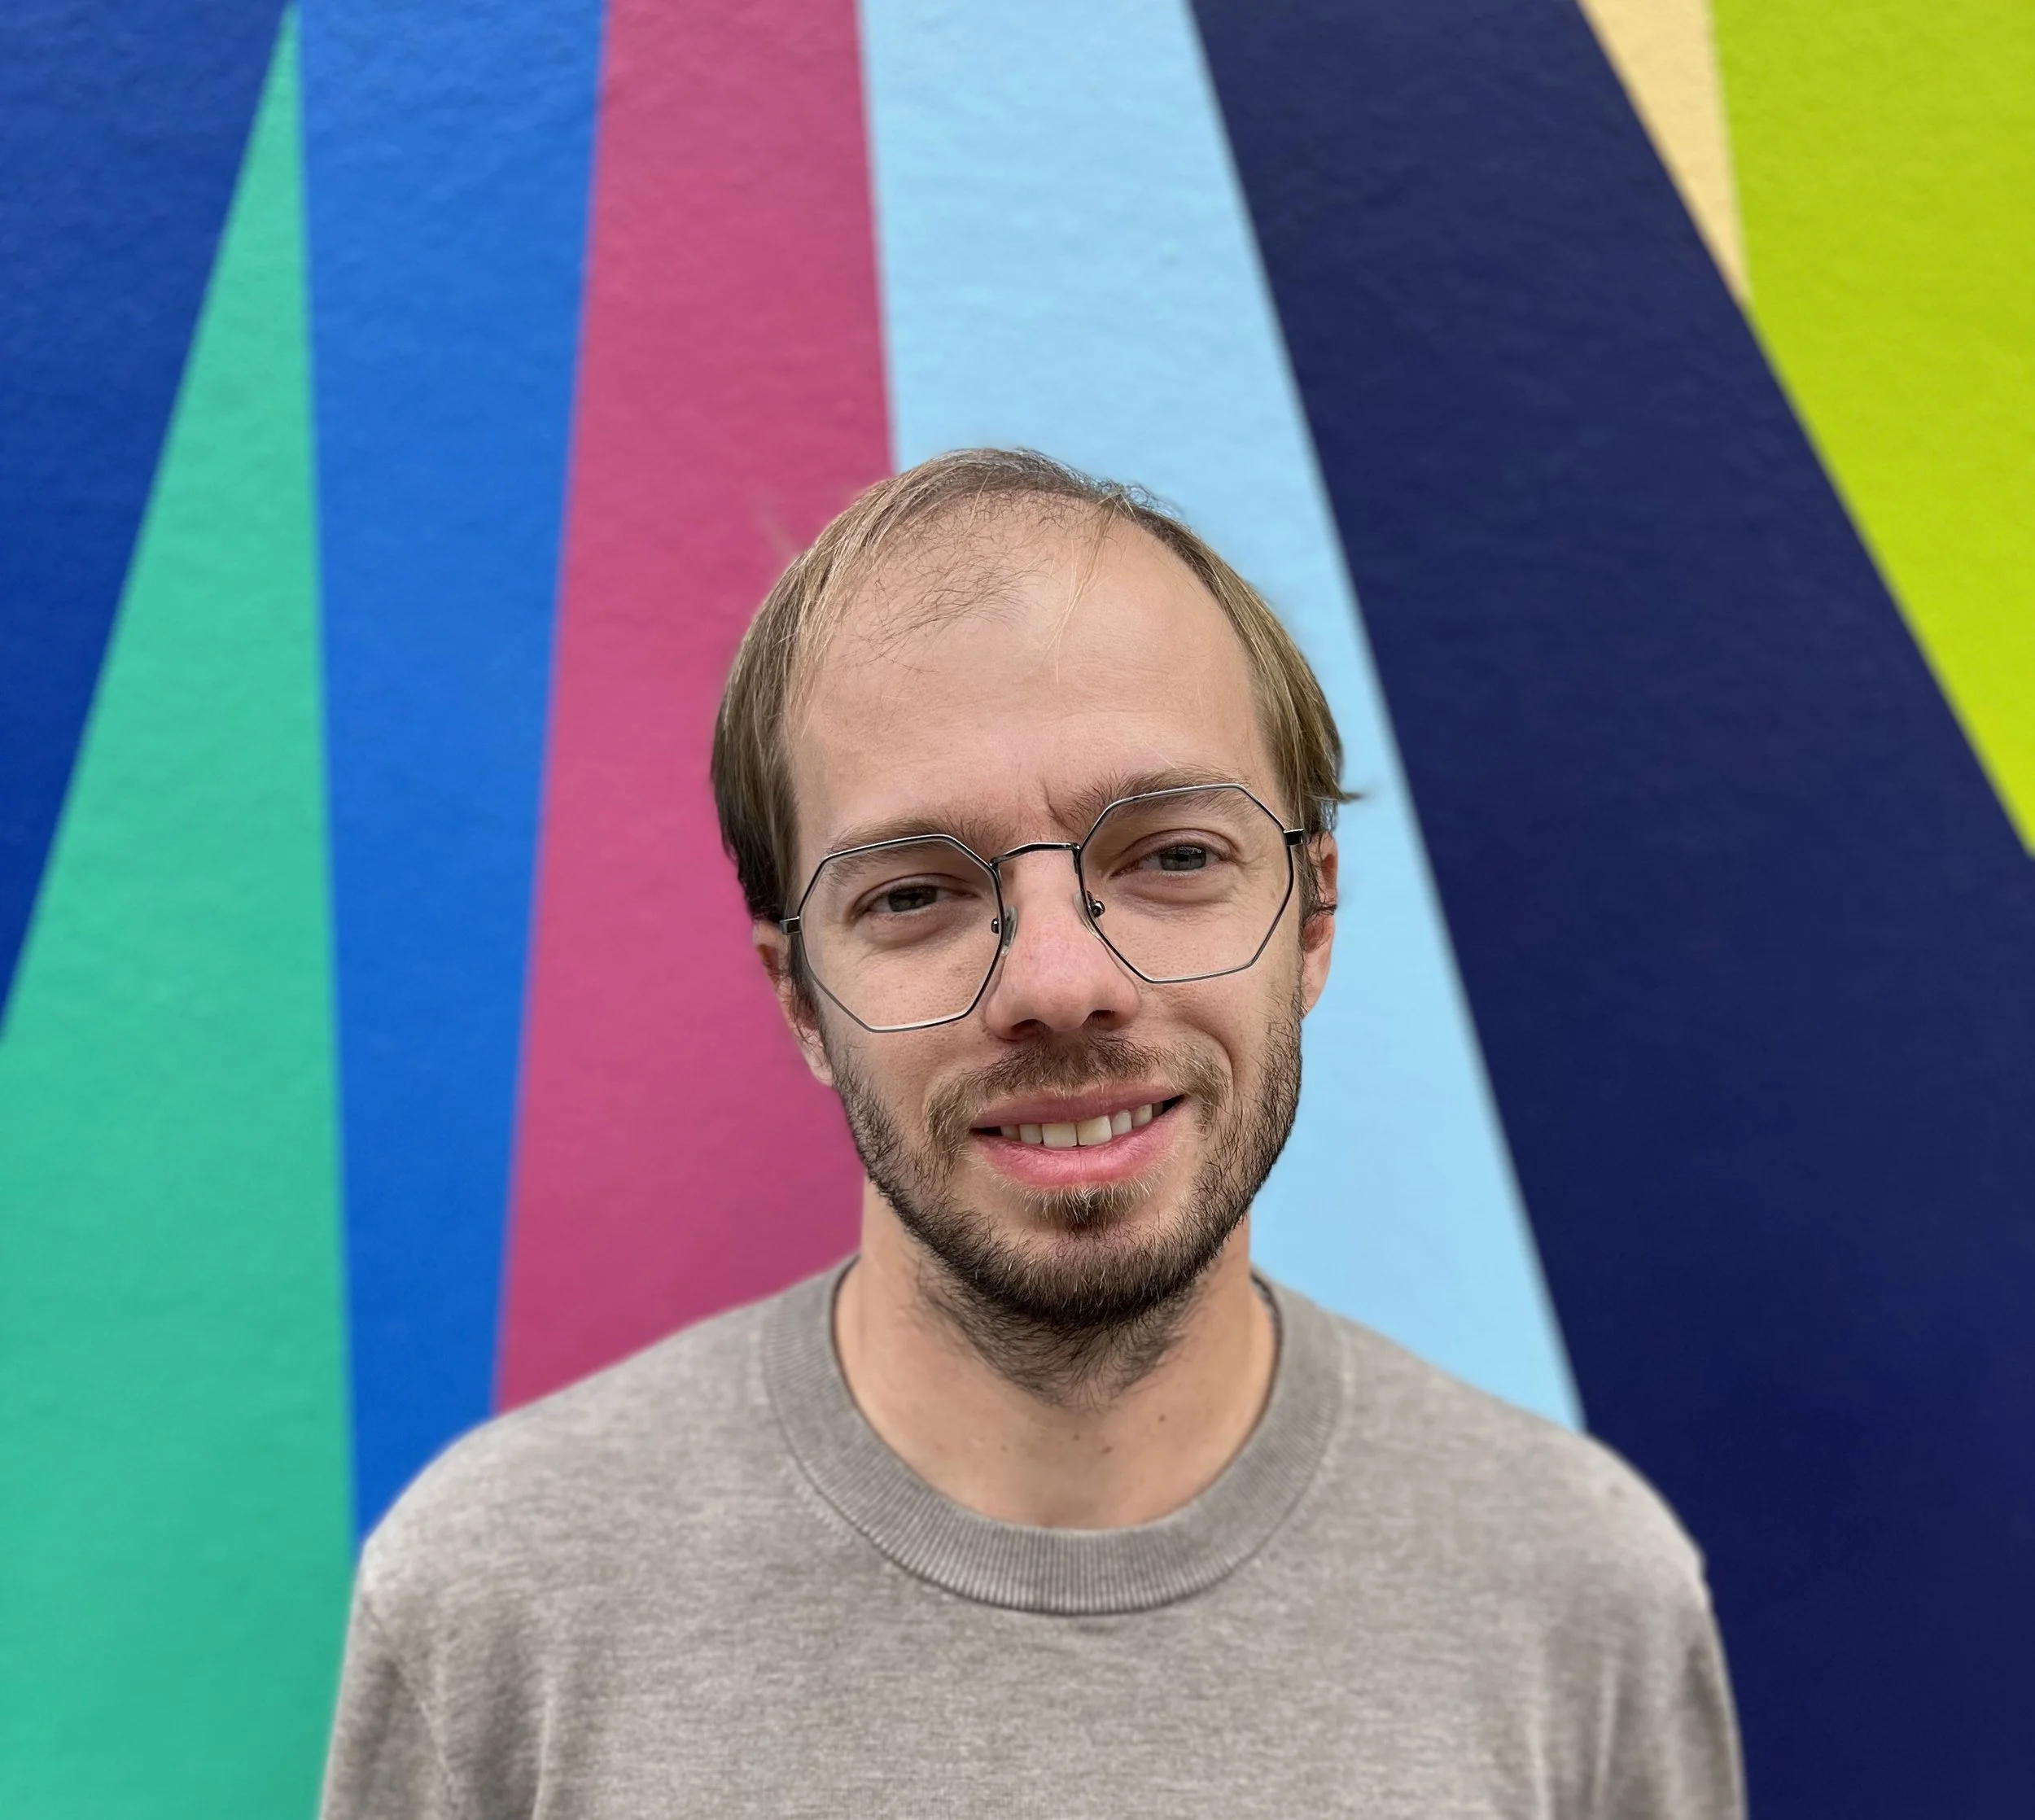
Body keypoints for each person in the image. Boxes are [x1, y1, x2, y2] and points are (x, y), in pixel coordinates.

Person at [321, 448, 1743, 1818]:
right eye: (915, 893)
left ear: (1311, 920)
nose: (1062, 983)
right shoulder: (498, 1602)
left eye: (1174, 857)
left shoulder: (1580, 1592)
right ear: (801, 999)